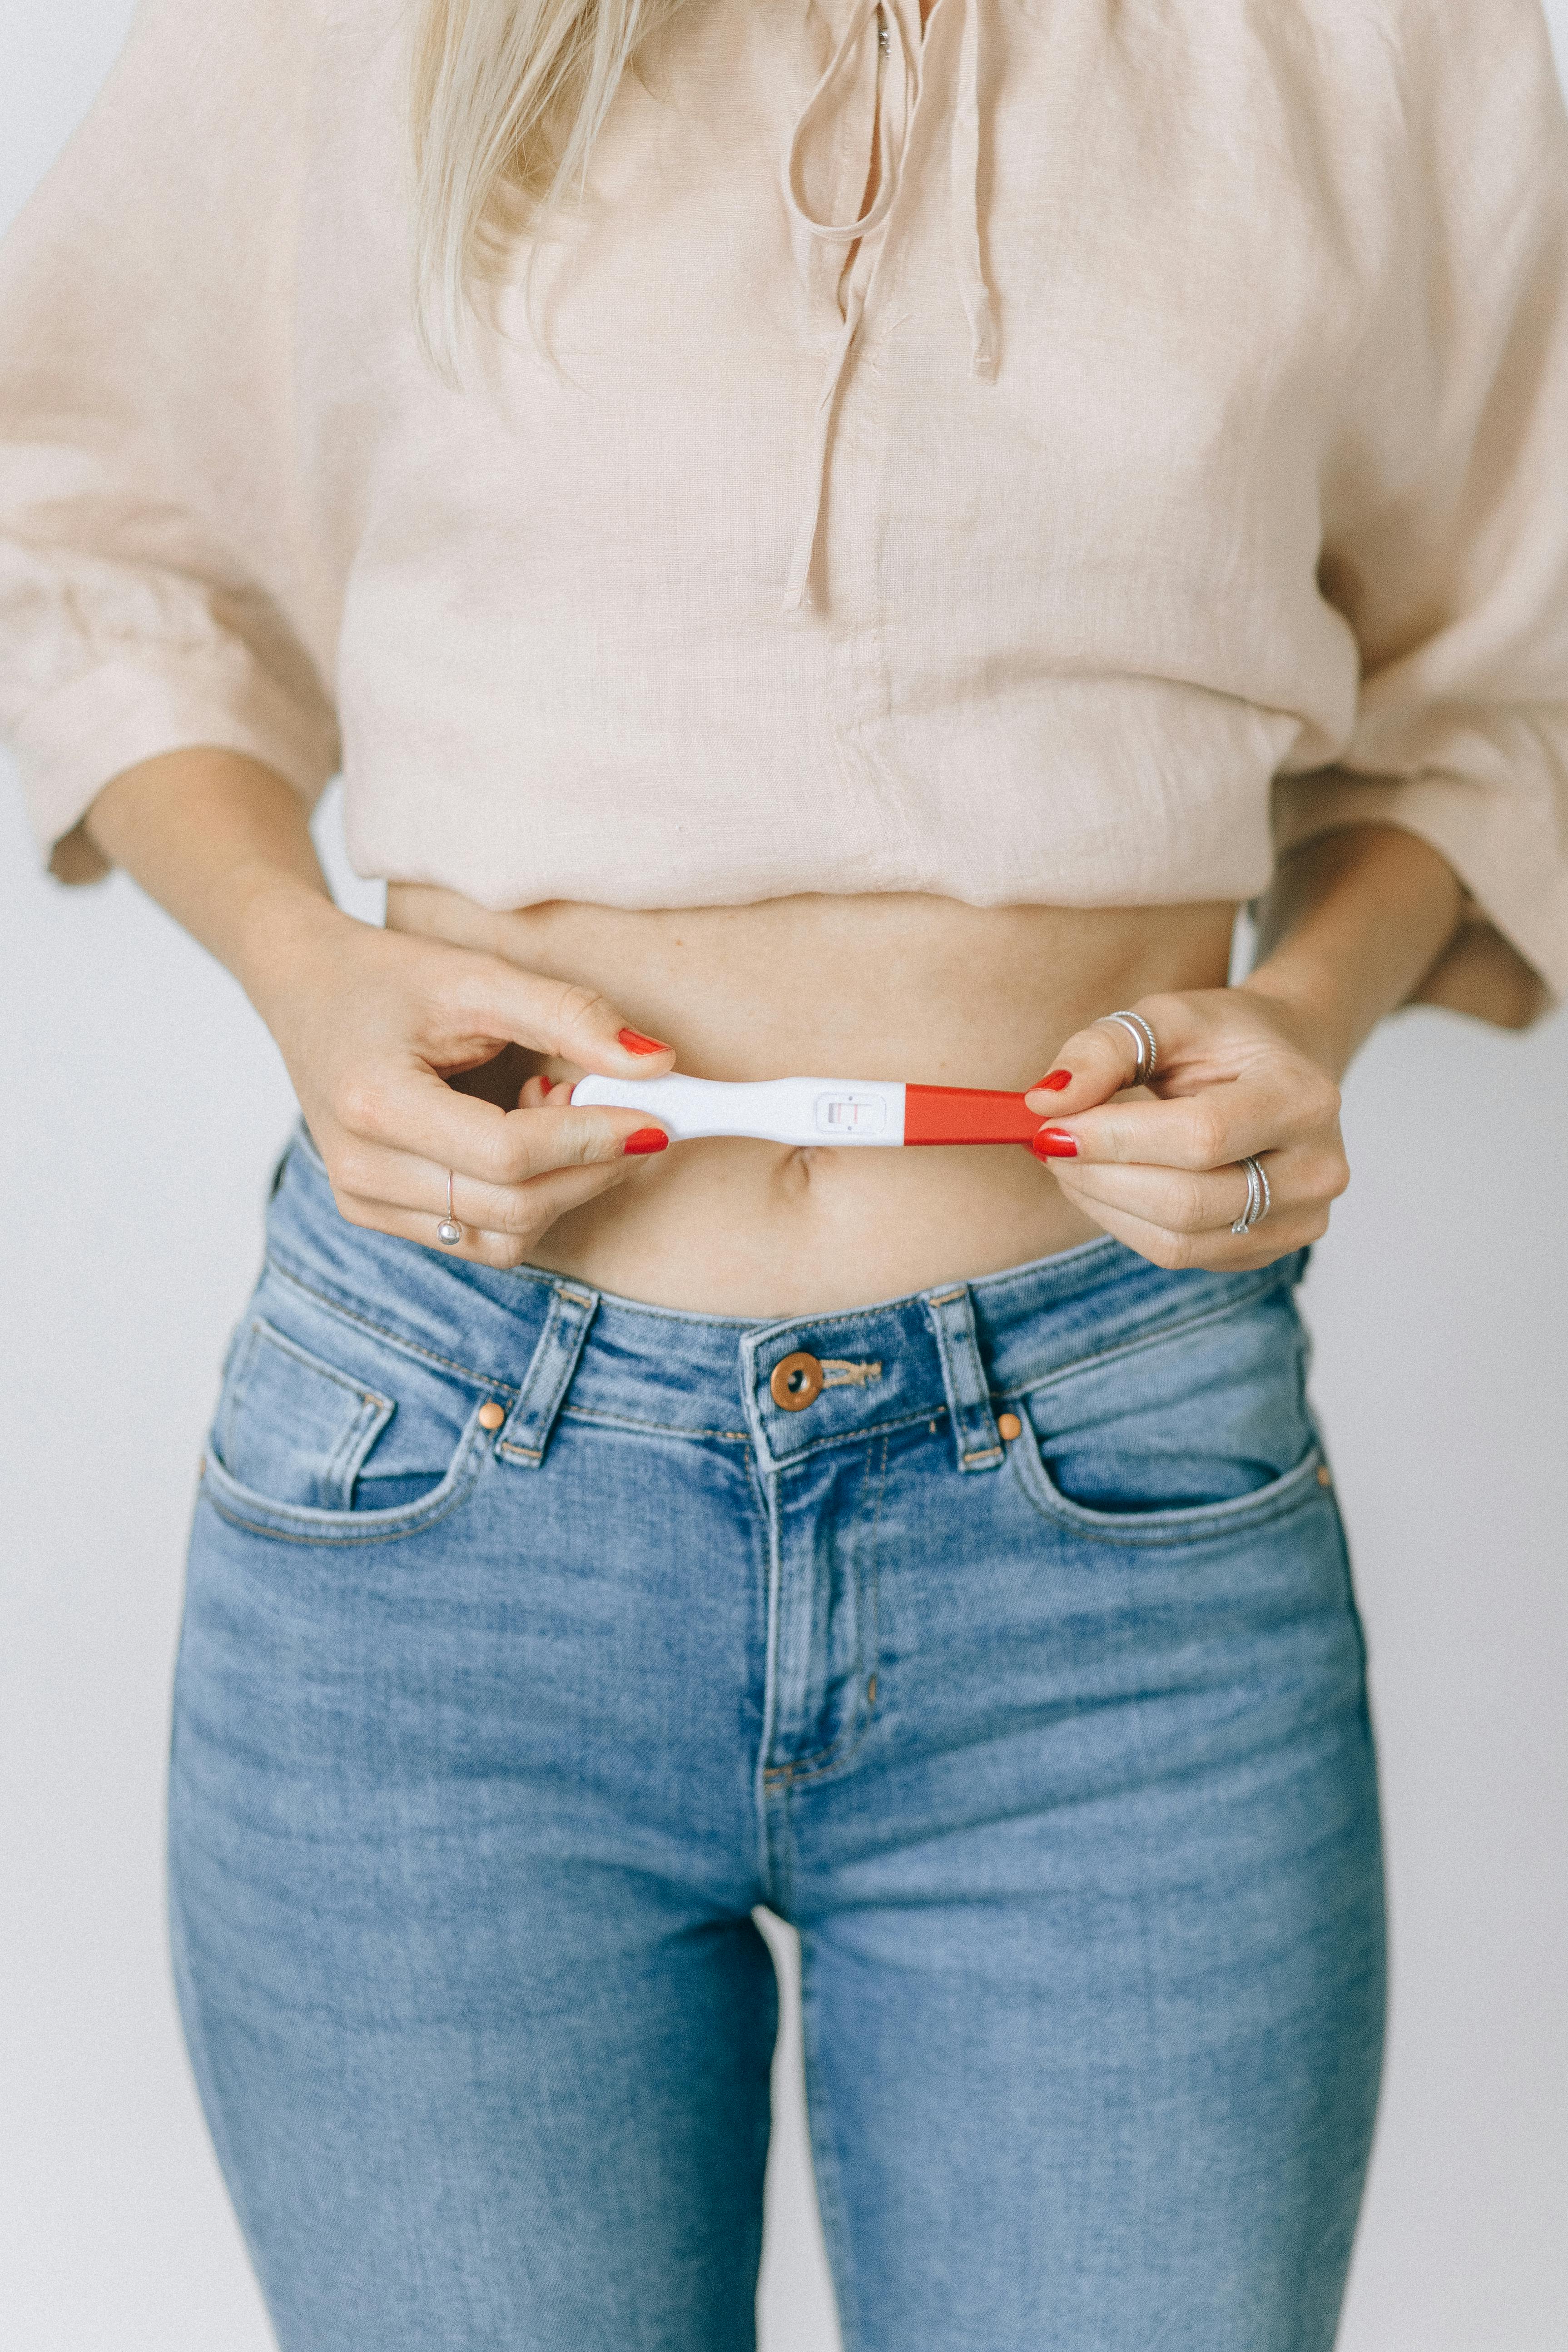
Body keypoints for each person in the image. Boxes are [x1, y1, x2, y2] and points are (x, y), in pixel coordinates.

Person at [2, 0, 1565, 2345]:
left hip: (1116, 1529)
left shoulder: (1364, 40)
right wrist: (307, 976)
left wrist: (1311, 1015)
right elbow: (77, 526)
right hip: (442, 1500)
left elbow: (1509, 674)